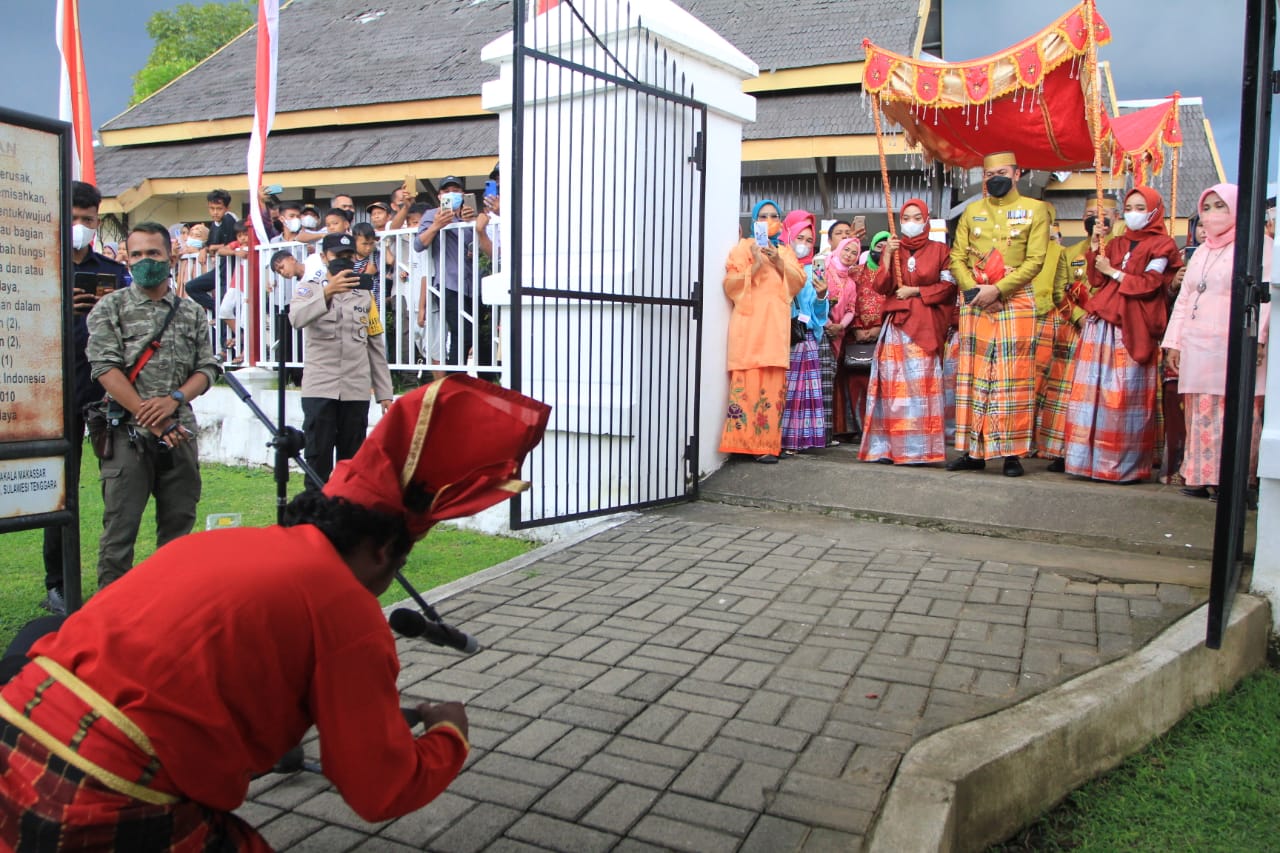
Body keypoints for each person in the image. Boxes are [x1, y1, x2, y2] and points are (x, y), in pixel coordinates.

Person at [0, 375, 552, 850]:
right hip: (95, 792)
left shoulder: (216, 545)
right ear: (383, 551)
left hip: (15, 729)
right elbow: (379, 789)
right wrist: (447, 735)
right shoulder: (346, 611)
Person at [86, 223, 221, 587]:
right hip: (126, 434)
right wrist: (150, 415)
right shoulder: (109, 308)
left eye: (154, 253)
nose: (145, 261)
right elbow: (104, 369)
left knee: (178, 530)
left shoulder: (190, 312)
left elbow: (207, 368)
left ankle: (170, 611)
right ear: (128, 260)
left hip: (180, 432)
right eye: (137, 255)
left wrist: (175, 399)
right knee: (119, 533)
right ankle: (111, 623)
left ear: (170, 256)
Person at [39, 183, 130, 614]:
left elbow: (134, 327)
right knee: (63, 493)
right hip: (56, 397)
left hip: (108, 395)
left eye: (89, 219)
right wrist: (60, 305)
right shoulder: (38, 264)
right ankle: (57, 583)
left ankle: (115, 580)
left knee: (122, 489)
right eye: (75, 216)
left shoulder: (111, 270)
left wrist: (115, 307)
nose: (81, 226)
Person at [1061, 187, 1180, 483]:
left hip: (1132, 327)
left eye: (1141, 207)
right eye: (1129, 207)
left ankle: (1118, 466)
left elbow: (1150, 284)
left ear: (1154, 211)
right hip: (1101, 325)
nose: (1133, 212)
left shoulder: (1163, 245)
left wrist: (1114, 272)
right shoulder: (1116, 243)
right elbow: (1095, 279)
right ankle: (1084, 463)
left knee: (1122, 396)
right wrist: (1096, 245)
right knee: (1091, 396)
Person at [1163, 183, 1270, 500]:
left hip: (1234, 342)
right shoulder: (1201, 252)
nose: (1211, 214)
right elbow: (1184, 299)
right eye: (1206, 208)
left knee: (1238, 412)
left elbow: (1265, 298)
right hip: (1197, 345)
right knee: (1200, 411)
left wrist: (1260, 338)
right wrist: (1174, 343)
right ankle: (1199, 476)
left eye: (1219, 206)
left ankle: (1235, 481)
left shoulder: (1257, 246)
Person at [947, 151, 1050, 477]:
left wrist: (999, 290)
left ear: (1017, 173)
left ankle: (1011, 454)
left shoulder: (1036, 210)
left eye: (1002, 172)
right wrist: (975, 291)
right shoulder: (971, 211)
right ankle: (974, 453)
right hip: (976, 302)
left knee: (1012, 378)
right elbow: (956, 258)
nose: (995, 179)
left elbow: (1035, 261)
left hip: (1015, 301)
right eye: (989, 174)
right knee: (973, 376)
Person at [290, 233, 395, 487]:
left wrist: (385, 393)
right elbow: (296, 319)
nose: (344, 261)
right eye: (339, 256)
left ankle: (347, 518)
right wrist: (327, 292)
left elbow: (374, 345)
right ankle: (315, 519)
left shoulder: (364, 295)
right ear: (325, 258)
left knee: (353, 462)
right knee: (318, 458)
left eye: (349, 256)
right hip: (320, 387)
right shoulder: (308, 289)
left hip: (355, 389)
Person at [858, 199, 957, 464]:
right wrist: (888, 255)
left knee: (922, 388)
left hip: (925, 325)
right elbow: (880, 286)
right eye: (906, 218)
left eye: (916, 217)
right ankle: (889, 448)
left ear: (926, 220)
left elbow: (949, 288)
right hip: (897, 328)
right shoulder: (895, 248)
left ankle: (921, 449)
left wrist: (916, 291)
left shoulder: (940, 250)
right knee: (893, 388)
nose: (911, 223)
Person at [718, 207, 805, 463]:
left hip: (775, 330)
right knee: (746, 383)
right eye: (763, 216)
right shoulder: (743, 248)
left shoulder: (785, 251)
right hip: (749, 328)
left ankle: (766, 446)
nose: (769, 221)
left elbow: (798, 282)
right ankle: (741, 444)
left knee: (771, 386)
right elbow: (731, 285)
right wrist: (755, 265)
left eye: (774, 216)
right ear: (755, 220)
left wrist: (777, 262)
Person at [779, 210, 830, 454]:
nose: (804, 244)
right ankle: (777, 439)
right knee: (784, 390)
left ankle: (799, 440)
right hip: (779, 335)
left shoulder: (813, 270)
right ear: (787, 234)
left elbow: (820, 314)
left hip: (803, 336)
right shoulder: (777, 263)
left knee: (802, 393)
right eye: (800, 237)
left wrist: (821, 295)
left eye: (809, 240)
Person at [414, 177, 478, 365]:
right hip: (448, 283)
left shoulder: (468, 214)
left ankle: (471, 381)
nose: (452, 193)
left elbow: (477, 248)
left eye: (456, 190)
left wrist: (472, 222)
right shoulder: (432, 214)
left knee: (474, 335)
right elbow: (419, 244)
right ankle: (454, 379)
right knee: (461, 332)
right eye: (447, 190)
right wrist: (436, 225)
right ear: (440, 195)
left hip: (472, 284)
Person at [1030, 204, 1073, 469]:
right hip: (1021, 320)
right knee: (1023, 384)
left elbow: (1064, 291)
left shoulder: (1061, 253)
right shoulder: (1017, 251)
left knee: (1050, 388)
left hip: (1053, 321)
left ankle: (1045, 443)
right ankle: (1019, 442)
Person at [843, 231, 890, 438]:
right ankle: (857, 429)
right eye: (879, 247)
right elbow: (848, 301)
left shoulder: (894, 275)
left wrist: (879, 328)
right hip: (857, 338)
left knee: (883, 384)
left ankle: (880, 428)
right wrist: (857, 328)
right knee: (856, 383)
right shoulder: (856, 273)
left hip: (886, 336)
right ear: (871, 248)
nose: (883, 251)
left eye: (888, 248)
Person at [823, 235, 861, 439]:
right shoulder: (825, 270)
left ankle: (826, 433)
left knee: (829, 379)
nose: (849, 255)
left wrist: (839, 327)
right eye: (846, 250)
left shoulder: (851, 283)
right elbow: (815, 299)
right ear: (839, 249)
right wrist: (827, 324)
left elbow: (851, 309)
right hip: (819, 330)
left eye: (854, 253)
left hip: (838, 334)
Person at [184, 190, 237, 314]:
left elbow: (232, 244)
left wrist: (213, 247)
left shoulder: (229, 220)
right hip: (220, 270)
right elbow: (210, 245)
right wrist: (205, 249)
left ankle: (223, 319)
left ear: (227, 208)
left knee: (224, 299)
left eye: (219, 208)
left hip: (232, 270)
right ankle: (218, 310)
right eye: (211, 208)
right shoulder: (214, 224)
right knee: (191, 287)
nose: (215, 212)